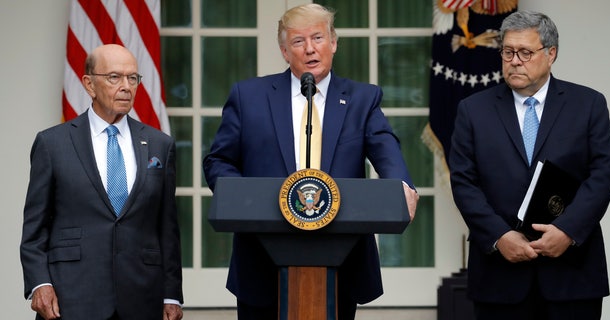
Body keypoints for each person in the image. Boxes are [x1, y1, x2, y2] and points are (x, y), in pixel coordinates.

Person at [202, 3, 419, 319]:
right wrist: (244, 200)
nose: (310, 49)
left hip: (340, 259)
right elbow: (218, 160)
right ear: (284, 50)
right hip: (262, 258)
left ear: (333, 42)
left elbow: (385, 147)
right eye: (298, 41)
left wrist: (401, 184)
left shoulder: (362, 99)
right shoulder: (248, 97)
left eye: (317, 38)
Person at [449, 11, 610, 320]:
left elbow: (604, 174)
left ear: (551, 53)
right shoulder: (472, 111)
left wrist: (567, 230)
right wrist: (500, 236)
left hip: (572, 274)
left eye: (525, 52)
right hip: (499, 277)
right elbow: (463, 182)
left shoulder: (588, 104)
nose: (514, 61)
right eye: (508, 52)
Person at [20, 44, 183, 320]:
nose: (126, 86)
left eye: (133, 78)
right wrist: (40, 283)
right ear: (89, 84)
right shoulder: (52, 144)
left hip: (142, 298)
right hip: (71, 297)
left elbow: (167, 228)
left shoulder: (159, 145)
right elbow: (35, 228)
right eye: (114, 77)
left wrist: (172, 294)